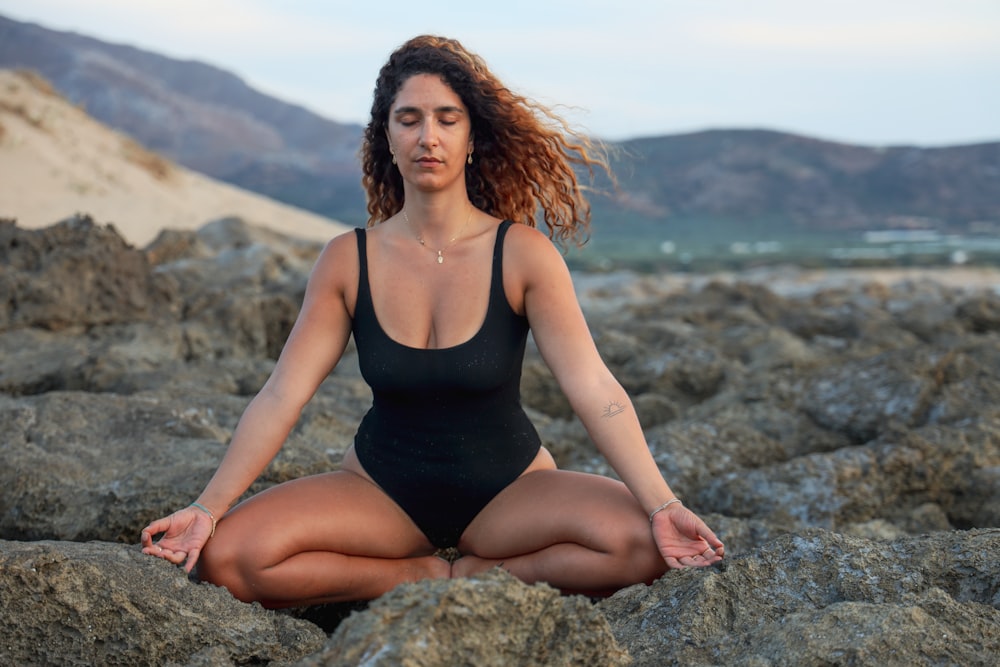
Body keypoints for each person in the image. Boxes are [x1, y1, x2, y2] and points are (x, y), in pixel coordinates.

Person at [141, 35, 724, 607]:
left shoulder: (521, 254)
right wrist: (207, 509)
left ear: (471, 138)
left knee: (645, 547)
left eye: (447, 119)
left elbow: (593, 386)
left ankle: (474, 575)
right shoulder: (348, 258)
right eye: (409, 119)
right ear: (386, 137)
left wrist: (662, 505)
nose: (428, 137)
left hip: (512, 493)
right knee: (231, 557)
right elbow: (282, 395)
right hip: (380, 494)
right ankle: (425, 579)